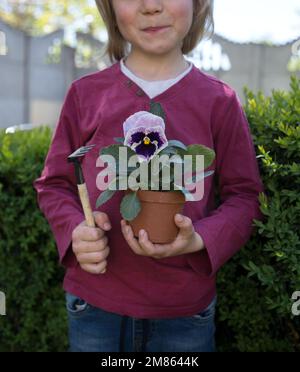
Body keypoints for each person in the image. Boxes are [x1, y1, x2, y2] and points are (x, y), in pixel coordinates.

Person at [33, 0, 264, 352]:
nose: (151, 6)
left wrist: (198, 239)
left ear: (198, 3)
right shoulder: (86, 95)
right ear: (109, 8)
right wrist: (75, 230)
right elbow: (54, 185)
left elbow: (246, 197)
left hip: (184, 311)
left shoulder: (219, 101)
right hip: (94, 304)